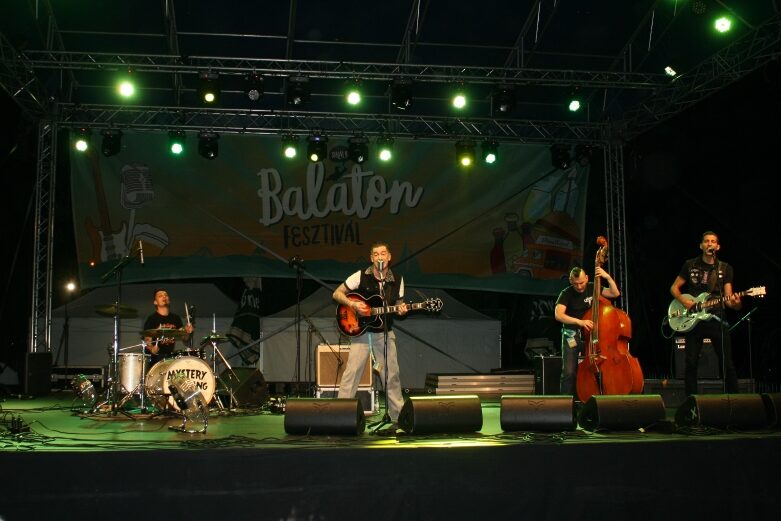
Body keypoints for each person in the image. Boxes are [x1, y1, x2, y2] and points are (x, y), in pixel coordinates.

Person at [332, 242, 408, 426]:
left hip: (384, 333)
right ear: (372, 258)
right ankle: (340, 416)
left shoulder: (397, 280)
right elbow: (337, 294)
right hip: (361, 334)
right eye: (376, 254)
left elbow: (399, 305)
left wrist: (402, 310)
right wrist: (352, 304)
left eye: (383, 253)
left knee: (391, 375)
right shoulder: (360, 276)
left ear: (389, 257)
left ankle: (399, 418)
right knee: (351, 374)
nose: (380, 257)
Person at [670, 231, 740, 396]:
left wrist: (736, 303)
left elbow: (729, 300)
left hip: (716, 318)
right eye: (707, 241)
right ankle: (691, 401)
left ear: (718, 247)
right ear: (701, 246)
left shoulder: (725, 268)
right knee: (691, 362)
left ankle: (735, 400)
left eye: (713, 241)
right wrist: (684, 301)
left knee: (727, 362)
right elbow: (674, 288)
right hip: (694, 319)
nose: (710, 244)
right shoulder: (690, 265)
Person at [554, 265, 620, 397]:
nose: (579, 287)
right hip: (571, 335)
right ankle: (565, 403)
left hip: (590, 335)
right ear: (571, 281)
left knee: (597, 366)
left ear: (587, 278)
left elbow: (615, 293)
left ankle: (594, 397)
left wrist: (607, 277)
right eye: (575, 284)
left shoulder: (592, 287)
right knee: (569, 372)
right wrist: (579, 322)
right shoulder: (566, 293)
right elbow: (558, 315)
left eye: (582, 283)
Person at [143, 288, 194, 365]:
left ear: (169, 300)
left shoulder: (175, 318)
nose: (164, 297)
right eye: (160, 296)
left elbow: (184, 338)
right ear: (155, 302)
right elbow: (147, 340)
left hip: (170, 357)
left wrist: (187, 331)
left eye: (166, 295)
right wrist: (152, 348)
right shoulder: (152, 319)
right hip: (155, 358)